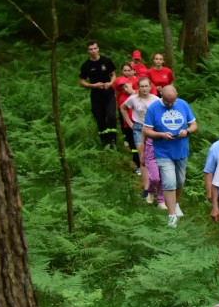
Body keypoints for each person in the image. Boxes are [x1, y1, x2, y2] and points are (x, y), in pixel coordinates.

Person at [142, 85, 198, 227]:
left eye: (172, 101)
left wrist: (187, 131)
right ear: (161, 95)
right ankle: (172, 216)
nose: (170, 104)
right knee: (169, 182)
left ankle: (176, 203)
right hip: (163, 151)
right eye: (167, 102)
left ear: (177, 95)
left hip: (181, 150)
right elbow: (147, 130)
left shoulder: (183, 104)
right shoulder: (154, 108)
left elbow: (194, 125)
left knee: (180, 181)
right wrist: (161, 135)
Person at [122, 77, 162, 206]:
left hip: (152, 129)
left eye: (146, 86)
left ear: (151, 87)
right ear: (138, 88)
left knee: (154, 156)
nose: (144, 89)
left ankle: (156, 184)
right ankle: (146, 188)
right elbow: (123, 108)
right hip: (139, 128)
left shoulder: (156, 100)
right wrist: (129, 123)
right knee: (143, 157)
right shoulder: (133, 99)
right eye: (142, 86)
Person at [79, 40, 117, 148]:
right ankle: (104, 140)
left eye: (95, 48)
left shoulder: (107, 61)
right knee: (100, 118)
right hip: (96, 95)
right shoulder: (86, 65)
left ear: (98, 48)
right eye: (91, 49)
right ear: (88, 51)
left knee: (111, 116)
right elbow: (82, 81)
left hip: (109, 93)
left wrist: (111, 83)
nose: (93, 51)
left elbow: (114, 74)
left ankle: (113, 139)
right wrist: (93, 85)